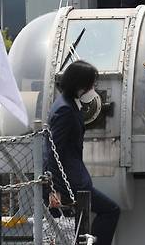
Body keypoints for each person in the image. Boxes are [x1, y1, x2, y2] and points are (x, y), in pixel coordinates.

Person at [44, 60, 120, 245]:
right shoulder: (65, 110)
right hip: (70, 183)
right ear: (81, 85)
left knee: (81, 225)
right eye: (92, 84)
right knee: (110, 211)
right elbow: (54, 151)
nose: (94, 88)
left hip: (73, 180)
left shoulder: (66, 104)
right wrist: (53, 189)